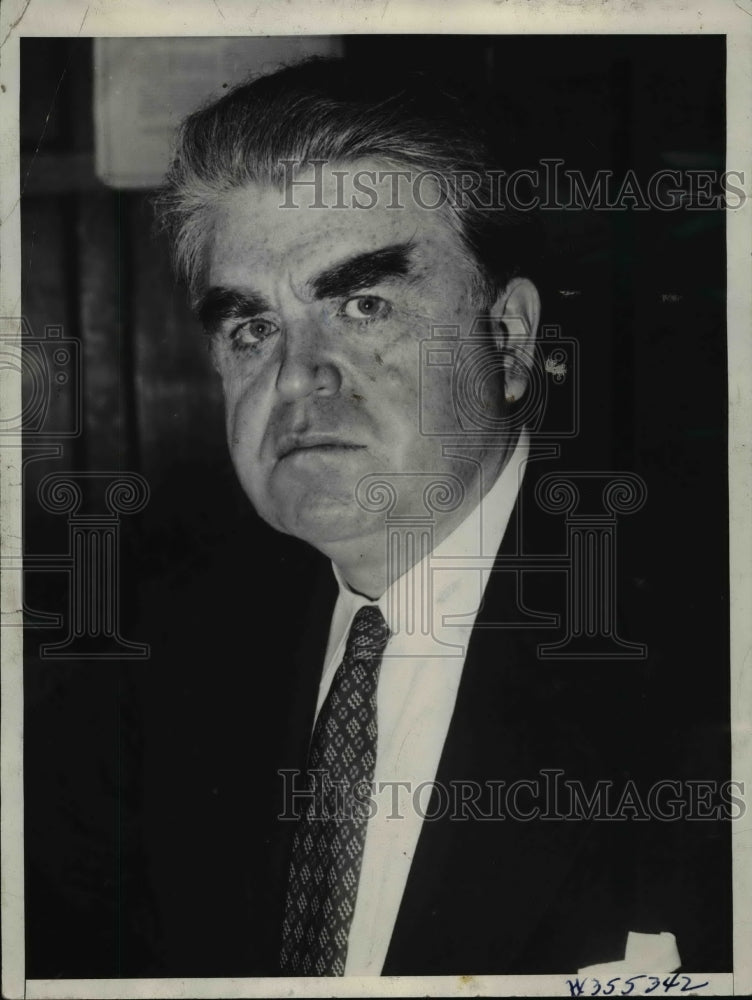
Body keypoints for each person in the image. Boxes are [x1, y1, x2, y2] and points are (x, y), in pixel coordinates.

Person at [141, 56, 726, 978]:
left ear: (511, 341)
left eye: (364, 305)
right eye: (251, 328)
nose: (296, 378)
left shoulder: (703, 670)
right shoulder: (151, 677)